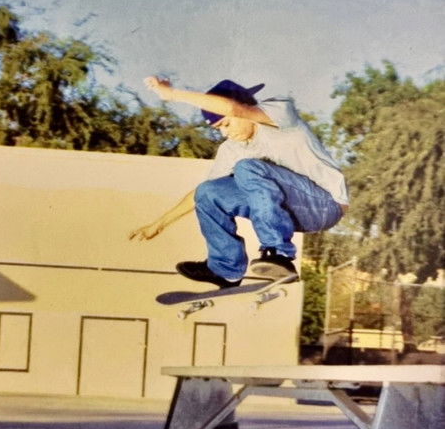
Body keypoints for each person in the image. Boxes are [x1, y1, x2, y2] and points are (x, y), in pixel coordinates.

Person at [130, 76, 348, 288]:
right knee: (207, 192)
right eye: (219, 129)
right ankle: (226, 270)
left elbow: (235, 109)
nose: (226, 133)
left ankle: (279, 254)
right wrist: (158, 225)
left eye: (227, 124)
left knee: (247, 167)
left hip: (326, 205)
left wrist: (172, 94)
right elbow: (199, 196)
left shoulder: (280, 114)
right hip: (291, 213)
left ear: (245, 109)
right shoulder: (231, 149)